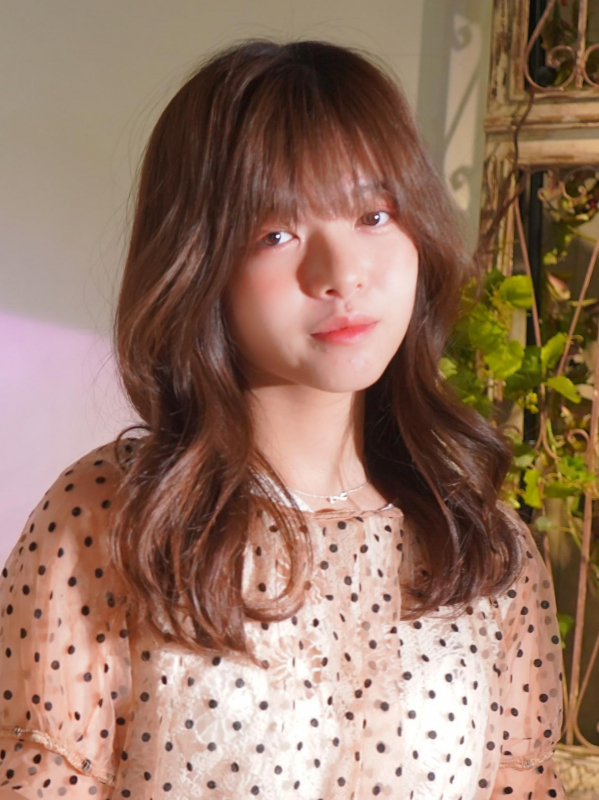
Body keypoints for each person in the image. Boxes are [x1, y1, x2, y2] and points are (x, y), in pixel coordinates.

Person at [0, 38, 565, 800]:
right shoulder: (112, 520)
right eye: (276, 234)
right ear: (199, 261)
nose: (341, 274)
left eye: (373, 215)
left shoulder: (481, 546)